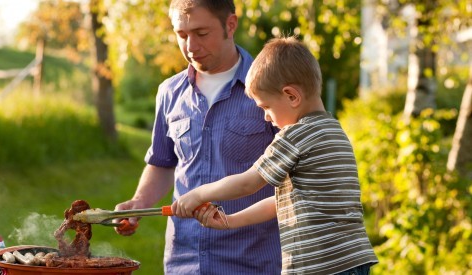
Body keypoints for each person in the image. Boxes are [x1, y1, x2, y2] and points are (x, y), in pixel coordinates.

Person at [172, 36, 379, 274]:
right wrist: (231, 220)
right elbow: (284, 201)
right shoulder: (333, 130)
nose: (266, 118)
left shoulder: (295, 135)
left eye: (266, 107)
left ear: (292, 96)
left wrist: (198, 193)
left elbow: (248, 183)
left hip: (321, 266)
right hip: (352, 262)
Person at [113, 0, 281, 274]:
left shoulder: (272, 88)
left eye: (201, 34)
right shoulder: (169, 92)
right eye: (182, 35)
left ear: (230, 25)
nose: (190, 46)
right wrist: (139, 203)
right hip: (184, 261)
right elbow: (163, 163)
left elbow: (296, 176)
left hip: (254, 262)